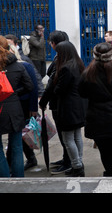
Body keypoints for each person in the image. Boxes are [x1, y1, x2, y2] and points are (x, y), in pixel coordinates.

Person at [79, 42, 112, 177]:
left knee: (103, 149)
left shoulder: (87, 73)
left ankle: (109, 170)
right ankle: (111, 171)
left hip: (96, 115)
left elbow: (82, 92)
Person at [52, 41, 87, 177]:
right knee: (77, 136)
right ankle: (79, 162)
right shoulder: (78, 64)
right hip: (78, 106)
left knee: (68, 138)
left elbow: (60, 89)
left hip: (69, 108)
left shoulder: (66, 68)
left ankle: (77, 166)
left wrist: (54, 87)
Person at [39, 30, 71, 175]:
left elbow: (52, 86)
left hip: (61, 104)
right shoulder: (64, 57)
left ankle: (69, 161)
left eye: (51, 42)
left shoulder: (61, 61)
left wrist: (43, 101)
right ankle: (67, 158)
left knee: (66, 136)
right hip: (62, 103)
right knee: (65, 135)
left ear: (54, 44)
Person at [0, 36, 33, 177]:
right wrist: (13, 93)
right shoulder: (18, 65)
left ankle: (4, 179)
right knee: (17, 146)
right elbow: (29, 86)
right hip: (14, 108)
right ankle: (19, 179)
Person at [6, 45, 40, 171]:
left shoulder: (24, 66)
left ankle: (23, 161)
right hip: (12, 105)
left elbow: (33, 87)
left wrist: (33, 107)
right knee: (17, 137)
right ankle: (28, 160)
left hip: (23, 105)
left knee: (20, 135)